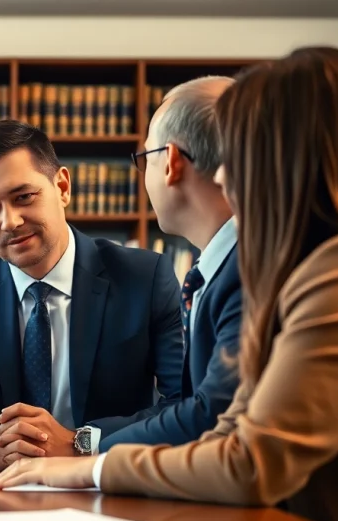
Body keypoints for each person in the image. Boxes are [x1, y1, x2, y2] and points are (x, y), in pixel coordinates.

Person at [0, 46, 338, 521]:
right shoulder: (320, 266)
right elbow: (231, 430)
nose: (224, 178)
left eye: (239, 154)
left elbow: (249, 462)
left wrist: (82, 465)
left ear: (289, 156)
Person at [0, 120, 185, 470]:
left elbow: (183, 404)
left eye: (23, 197)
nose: (9, 221)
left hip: (108, 480)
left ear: (62, 187)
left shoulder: (143, 278)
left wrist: (80, 443)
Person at [96, 75, 242, 451]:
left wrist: (83, 452)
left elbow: (209, 414)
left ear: (171, 161)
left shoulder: (249, 271)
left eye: (145, 157)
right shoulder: (218, 268)